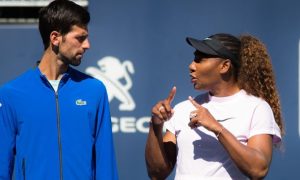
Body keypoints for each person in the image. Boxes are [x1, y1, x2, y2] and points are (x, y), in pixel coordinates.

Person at [0, 0, 118, 179]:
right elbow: (2, 166)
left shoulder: (95, 91)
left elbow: (106, 165)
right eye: (80, 38)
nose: (87, 45)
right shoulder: (11, 94)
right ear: (55, 38)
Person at [145, 33, 284, 180]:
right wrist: (156, 125)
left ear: (224, 66)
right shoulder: (181, 109)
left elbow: (258, 170)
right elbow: (156, 173)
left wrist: (217, 128)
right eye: (194, 58)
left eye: (200, 59)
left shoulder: (257, 108)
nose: (191, 66)